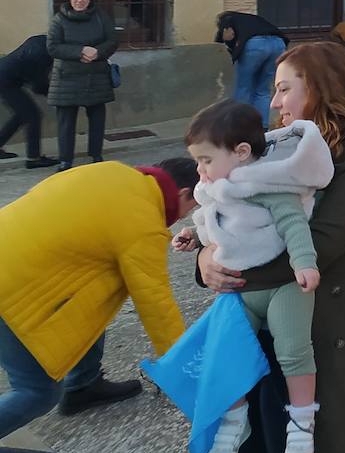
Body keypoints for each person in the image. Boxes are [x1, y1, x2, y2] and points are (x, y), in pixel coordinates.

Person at [196, 41, 345, 453]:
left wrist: (223, 264)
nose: (275, 102)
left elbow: (316, 246)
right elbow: (235, 215)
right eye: (274, 90)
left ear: (325, 87)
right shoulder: (280, 150)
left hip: (330, 333)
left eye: (285, 89)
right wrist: (206, 255)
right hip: (268, 325)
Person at [176, 102, 335, 453]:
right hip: (242, 293)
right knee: (226, 351)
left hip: (284, 288)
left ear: (241, 152)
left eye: (205, 160)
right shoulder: (217, 190)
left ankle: (301, 419)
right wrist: (195, 239)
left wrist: (304, 263)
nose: (199, 170)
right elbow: (214, 223)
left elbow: (294, 224)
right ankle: (234, 419)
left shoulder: (268, 185)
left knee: (293, 349)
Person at [0, 155, 197, 437]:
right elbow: (156, 305)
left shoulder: (113, 172)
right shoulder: (143, 222)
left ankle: (83, 384)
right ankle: (79, 385)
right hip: (9, 286)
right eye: (191, 207)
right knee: (36, 392)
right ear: (183, 193)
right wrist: (186, 373)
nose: (185, 217)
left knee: (98, 293)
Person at [47, 0, 117, 171]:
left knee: (97, 120)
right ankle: (65, 161)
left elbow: (112, 40)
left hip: (95, 76)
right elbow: (52, 46)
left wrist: (97, 52)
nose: (79, 0)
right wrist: (80, 51)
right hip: (66, 78)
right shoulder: (59, 19)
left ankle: (96, 156)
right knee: (66, 123)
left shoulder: (101, 17)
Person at [215, 12, 288, 128]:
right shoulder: (252, 19)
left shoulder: (226, 19)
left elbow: (228, 35)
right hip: (278, 44)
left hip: (255, 45)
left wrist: (230, 47)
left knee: (243, 88)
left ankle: (240, 126)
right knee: (263, 90)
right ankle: (262, 127)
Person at [0, 34, 59, 168]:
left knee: (22, 115)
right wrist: (54, 96)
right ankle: (34, 158)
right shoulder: (43, 55)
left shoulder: (41, 40)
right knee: (33, 116)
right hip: (5, 81)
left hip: (6, 76)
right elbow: (38, 85)